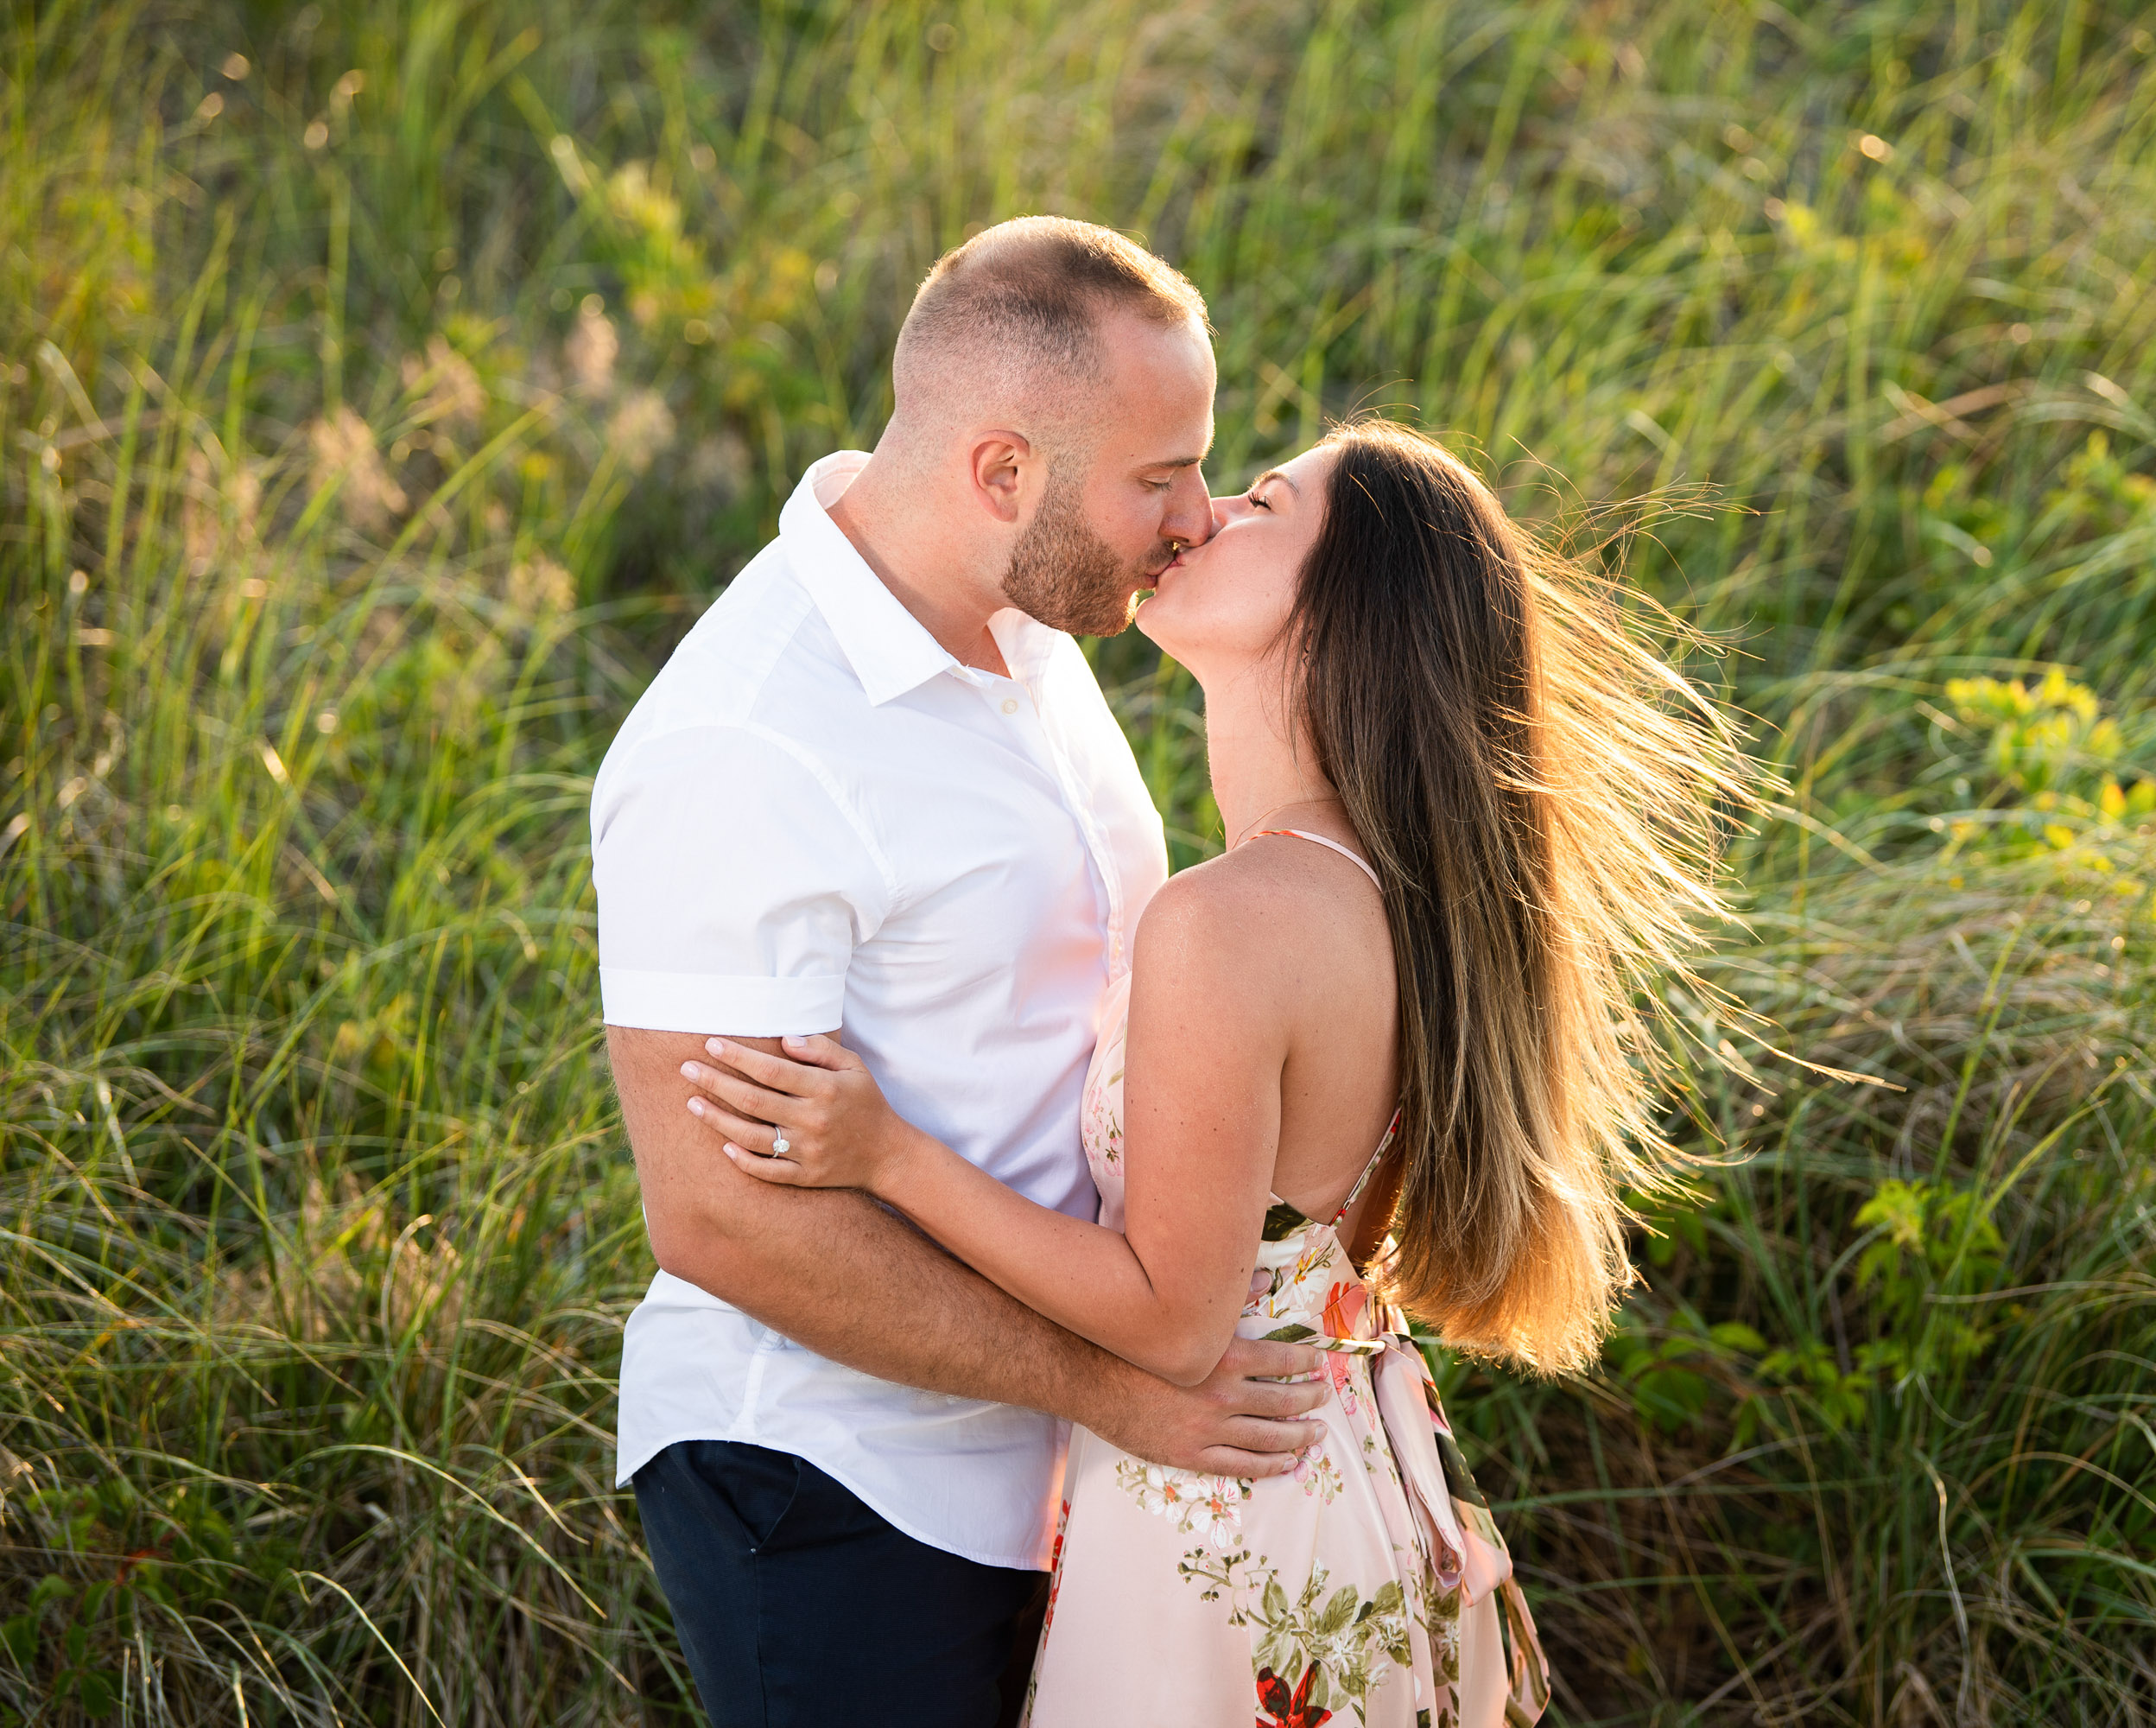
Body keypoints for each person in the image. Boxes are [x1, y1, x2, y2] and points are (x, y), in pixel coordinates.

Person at [679, 419, 1747, 1724]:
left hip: (1233, 1523)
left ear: (1343, 607)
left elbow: (1173, 1320)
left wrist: (887, 1155)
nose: (1202, 516)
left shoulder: (1229, 921)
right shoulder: (1381, 898)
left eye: (1263, 504)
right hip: (1345, 1482)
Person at [589, 217, 1341, 1728]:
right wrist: (1116, 1390)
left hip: (1065, 1467)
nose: (1196, 518)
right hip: (837, 1487)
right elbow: (721, 1217)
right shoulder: (744, 742)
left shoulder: (1028, 620)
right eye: (1159, 478)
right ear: (1002, 472)